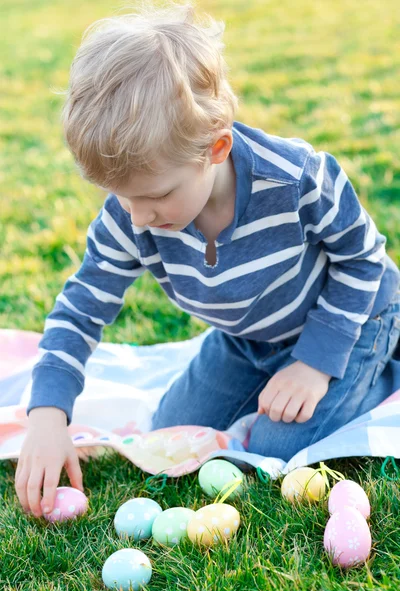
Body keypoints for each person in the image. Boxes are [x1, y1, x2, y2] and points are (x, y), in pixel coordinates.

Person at [15, 0, 400, 519]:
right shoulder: (133, 213)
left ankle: (381, 367)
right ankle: (282, 370)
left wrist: (314, 365)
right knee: (173, 434)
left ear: (215, 149)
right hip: (249, 340)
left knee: (274, 448)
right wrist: (46, 416)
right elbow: (80, 309)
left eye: (155, 196)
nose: (139, 217)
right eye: (123, 197)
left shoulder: (297, 179)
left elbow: (363, 259)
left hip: (353, 321)